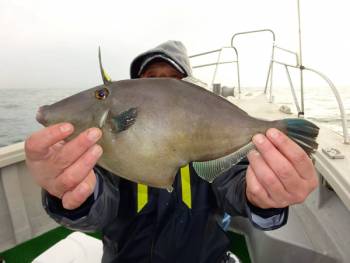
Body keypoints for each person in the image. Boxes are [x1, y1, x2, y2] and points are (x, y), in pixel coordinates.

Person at [25, 40, 318, 263]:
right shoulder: (101, 146)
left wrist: (266, 201)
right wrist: (73, 198)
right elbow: (99, 208)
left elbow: (238, 188)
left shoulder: (212, 138)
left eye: (172, 80)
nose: (161, 86)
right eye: (151, 78)